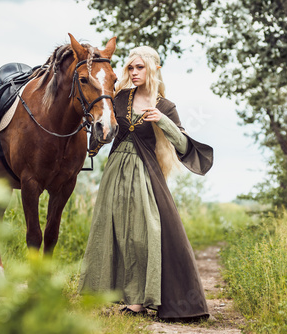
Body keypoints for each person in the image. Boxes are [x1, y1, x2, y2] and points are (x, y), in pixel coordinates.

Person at [78, 45, 213, 322]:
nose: (134, 72)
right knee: (112, 231)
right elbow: (103, 129)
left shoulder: (166, 106)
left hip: (145, 174)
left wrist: (163, 121)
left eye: (140, 67)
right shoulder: (120, 97)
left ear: (154, 69)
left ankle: (140, 301)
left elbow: (184, 145)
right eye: (131, 67)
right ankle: (114, 294)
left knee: (143, 234)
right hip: (115, 171)